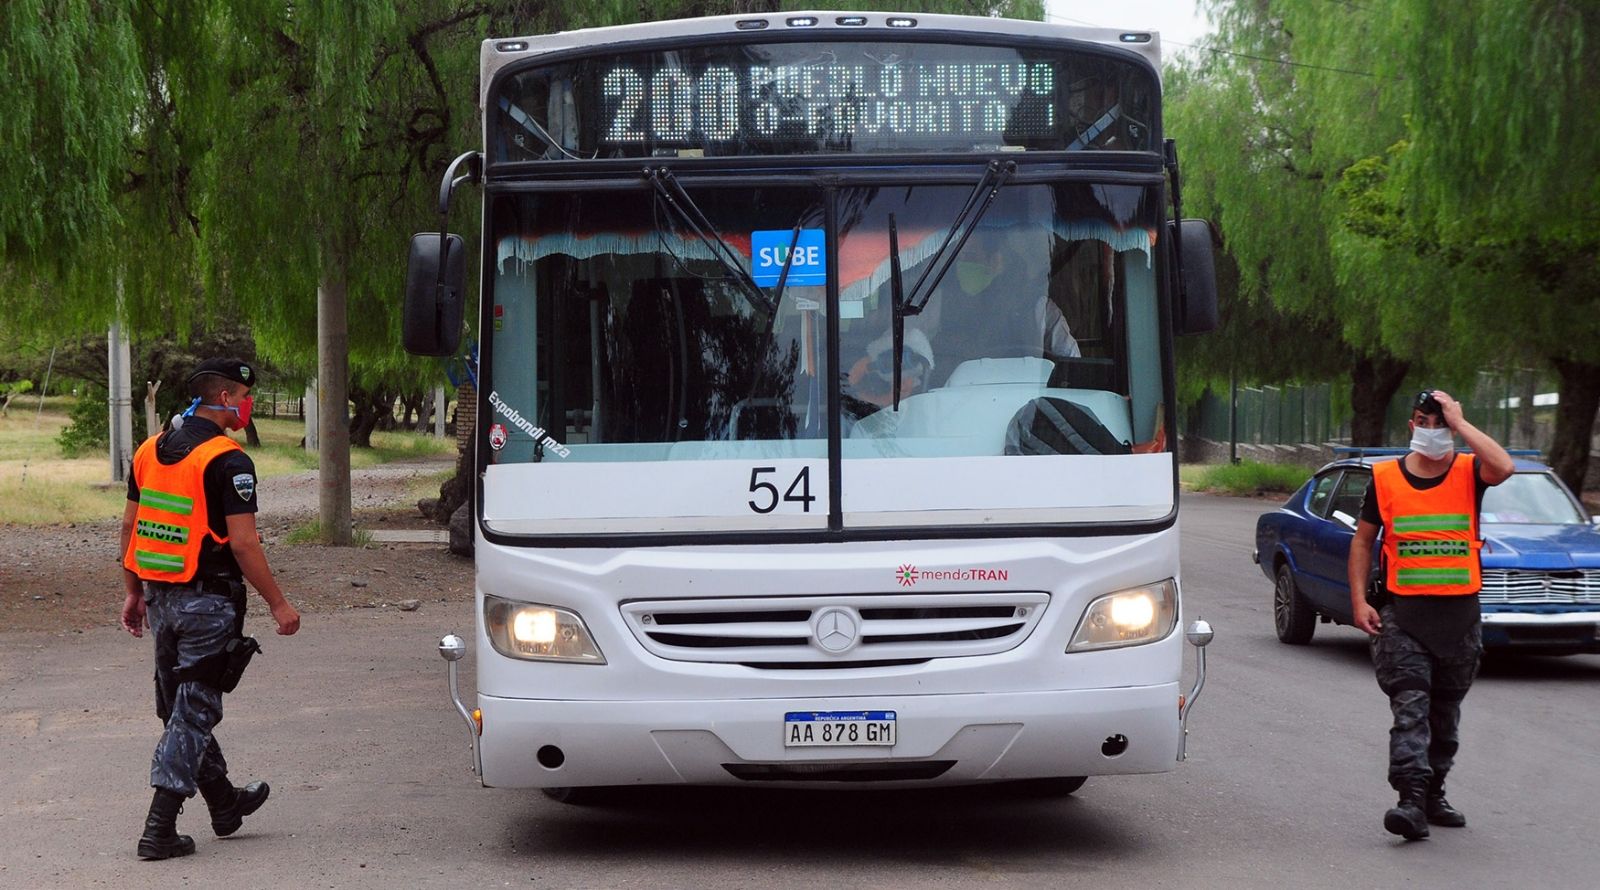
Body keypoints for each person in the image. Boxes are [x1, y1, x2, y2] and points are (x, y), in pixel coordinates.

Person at [119, 358, 301, 860]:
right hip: (208, 604)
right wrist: (279, 603)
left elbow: (131, 527)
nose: (248, 405)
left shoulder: (150, 449)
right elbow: (243, 543)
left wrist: (133, 591)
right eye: (244, 396)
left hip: (161, 597)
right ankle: (159, 829)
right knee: (192, 712)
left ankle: (224, 802)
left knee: (176, 707)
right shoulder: (229, 460)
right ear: (225, 399)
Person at [1347, 389, 1513, 840]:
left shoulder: (1470, 471)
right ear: (1411, 425)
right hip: (1404, 616)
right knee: (1411, 708)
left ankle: (1434, 794)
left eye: (1441, 423)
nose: (1432, 430)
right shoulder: (1385, 477)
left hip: (1459, 617)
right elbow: (1362, 541)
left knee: (1445, 714)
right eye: (1424, 421)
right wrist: (1359, 601)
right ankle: (1411, 800)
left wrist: (1461, 424)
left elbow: (1504, 467)